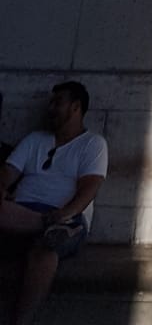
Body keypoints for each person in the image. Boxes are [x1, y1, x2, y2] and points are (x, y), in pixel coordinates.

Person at [0, 80, 108, 325]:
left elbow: (89, 188)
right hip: (24, 213)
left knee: (46, 251)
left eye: (58, 102)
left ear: (76, 107)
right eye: (51, 102)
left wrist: (63, 215)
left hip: (65, 216)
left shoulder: (93, 144)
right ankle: (45, 224)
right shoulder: (34, 140)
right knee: (46, 231)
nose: (51, 108)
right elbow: (6, 174)